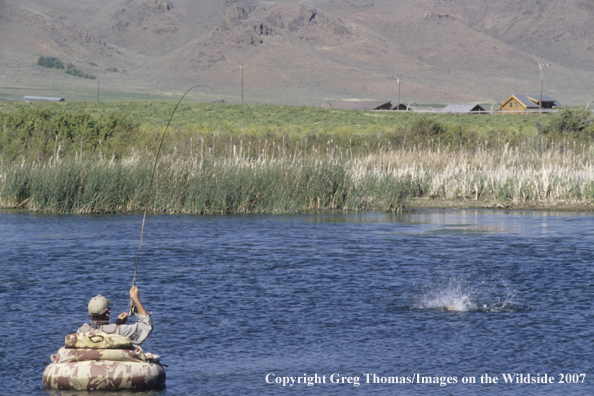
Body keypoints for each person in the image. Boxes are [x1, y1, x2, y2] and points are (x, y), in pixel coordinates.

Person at [78, 286, 152, 345]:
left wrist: (117, 324)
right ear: (108, 312)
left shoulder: (81, 331)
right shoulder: (120, 331)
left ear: (89, 313)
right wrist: (135, 298)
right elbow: (146, 325)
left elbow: (100, 330)